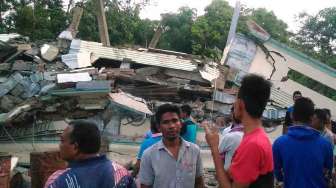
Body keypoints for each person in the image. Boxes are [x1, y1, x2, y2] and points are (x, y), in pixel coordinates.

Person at [204, 74, 274, 188]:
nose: (234, 103)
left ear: (240, 104)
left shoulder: (253, 144)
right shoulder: (256, 137)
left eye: (235, 99)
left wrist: (214, 148)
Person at [44, 120, 135, 188]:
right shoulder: (121, 173)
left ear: (75, 147)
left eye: (62, 141)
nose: (60, 145)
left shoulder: (58, 181)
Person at [139, 104, 204, 188]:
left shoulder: (194, 151)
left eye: (175, 121)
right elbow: (145, 186)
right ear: (159, 127)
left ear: (180, 124)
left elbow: (199, 183)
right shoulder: (148, 155)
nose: (172, 126)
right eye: (166, 122)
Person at [273, 98, 333, 188]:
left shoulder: (279, 143)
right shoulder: (326, 145)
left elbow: (278, 175)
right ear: (312, 117)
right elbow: (328, 175)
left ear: (292, 115)